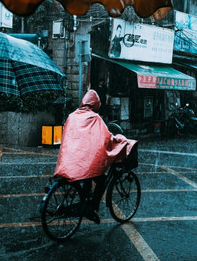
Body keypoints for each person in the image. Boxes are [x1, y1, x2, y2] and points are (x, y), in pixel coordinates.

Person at [54, 89, 136, 224]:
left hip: (69, 160)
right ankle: (93, 208)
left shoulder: (72, 116)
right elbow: (106, 138)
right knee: (100, 179)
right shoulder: (95, 118)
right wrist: (119, 140)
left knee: (87, 174)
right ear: (96, 104)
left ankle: (85, 200)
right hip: (82, 161)